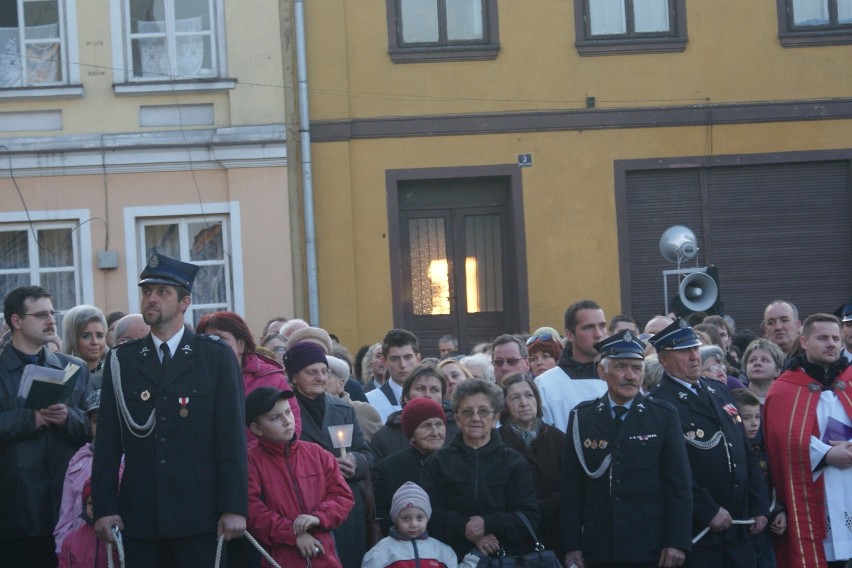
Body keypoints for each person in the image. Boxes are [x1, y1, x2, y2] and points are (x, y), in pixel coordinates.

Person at [92, 253, 247, 567]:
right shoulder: (123, 360)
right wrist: (105, 506)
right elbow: (108, 440)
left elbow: (231, 438)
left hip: (199, 513)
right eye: (147, 291)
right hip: (141, 514)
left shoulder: (214, 357)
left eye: (162, 292)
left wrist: (234, 506)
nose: (151, 299)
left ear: (184, 302)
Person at [562, 330, 692, 568]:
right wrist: (571, 544)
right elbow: (571, 487)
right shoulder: (583, 417)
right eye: (621, 367)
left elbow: (679, 484)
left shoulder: (662, 416)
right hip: (599, 546)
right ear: (602, 371)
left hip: (649, 544)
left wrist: (677, 541)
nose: (630, 376)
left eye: (636, 368)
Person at [648, 319, 768, 567]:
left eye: (695, 349)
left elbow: (745, 452)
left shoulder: (718, 390)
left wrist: (759, 505)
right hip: (700, 533)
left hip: (739, 527)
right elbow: (669, 472)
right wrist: (708, 510)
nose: (694, 357)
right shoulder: (659, 405)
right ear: (663, 360)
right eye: (683, 351)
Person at [0, 285, 91, 567]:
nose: (51, 320)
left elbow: (96, 425)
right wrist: (32, 419)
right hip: (15, 510)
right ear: (16, 321)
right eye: (40, 315)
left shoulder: (73, 367)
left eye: (52, 313)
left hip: (68, 508)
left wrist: (68, 418)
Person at [764, 313, 852, 568]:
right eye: (823, 338)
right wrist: (825, 455)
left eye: (836, 338)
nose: (832, 344)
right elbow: (781, 441)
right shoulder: (784, 388)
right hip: (816, 492)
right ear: (804, 341)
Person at [421, 379, 539, 561]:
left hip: (505, 558)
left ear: (496, 418)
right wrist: (464, 528)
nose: (475, 418)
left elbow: (528, 517)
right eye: (467, 412)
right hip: (452, 557)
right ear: (457, 419)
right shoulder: (437, 463)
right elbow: (429, 514)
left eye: (483, 411)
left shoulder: (514, 462)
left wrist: (487, 524)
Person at [245, 387, 354, 568]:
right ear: (256, 428)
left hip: (325, 555)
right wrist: (293, 533)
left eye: (288, 412)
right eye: (275, 418)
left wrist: (318, 517)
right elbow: (252, 512)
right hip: (278, 557)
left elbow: (343, 496)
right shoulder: (251, 462)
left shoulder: (318, 454)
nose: (287, 421)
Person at [286, 341, 373, 568]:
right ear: (294, 377)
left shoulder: (343, 409)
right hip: (306, 505)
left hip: (345, 508)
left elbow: (366, 454)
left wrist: (355, 462)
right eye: (311, 372)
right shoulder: (285, 411)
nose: (320, 378)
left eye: (324, 372)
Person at [196, 310, 300, 441]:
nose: (212, 346)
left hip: (263, 459)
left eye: (220, 339)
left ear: (241, 345)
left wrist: (251, 457)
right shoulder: (192, 380)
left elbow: (291, 429)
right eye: (207, 341)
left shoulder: (270, 378)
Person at [498, 372, 565, 555]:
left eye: (529, 395)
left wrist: (550, 505)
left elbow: (570, 484)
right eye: (515, 397)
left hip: (555, 532)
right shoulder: (497, 441)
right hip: (514, 534)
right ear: (504, 404)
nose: (524, 402)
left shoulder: (558, 438)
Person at [373, 397, 448, 536]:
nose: (435, 432)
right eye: (426, 426)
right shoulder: (390, 468)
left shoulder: (455, 461)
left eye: (439, 424)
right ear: (411, 434)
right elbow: (383, 515)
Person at [731, 388, 786, 568]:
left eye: (757, 417)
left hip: (765, 530)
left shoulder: (761, 450)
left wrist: (777, 510)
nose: (754, 423)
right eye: (746, 418)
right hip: (741, 529)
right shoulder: (730, 452)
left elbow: (768, 486)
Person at [536, 300, 609, 432]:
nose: (598, 334)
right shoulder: (545, 384)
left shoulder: (621, 377)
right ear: (570, 335)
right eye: (588, 327)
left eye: (602, 326)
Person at [371, 363, 456, 461]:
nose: (428, 395)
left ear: (442, 398)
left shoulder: (457, 430)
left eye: (435, 390)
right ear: (406, 397)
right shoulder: (385, 437)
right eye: (420, 388)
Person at [362, 482, 458, 568]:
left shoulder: (441, 551)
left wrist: (473, 557)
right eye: (406, 518)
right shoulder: (381, 552)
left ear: (427, 518)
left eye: (419, 518)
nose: (413, 524)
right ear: (396, 519)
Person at [55, 390, 101, 555]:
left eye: (109, 419)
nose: (102, 426)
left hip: (115, 550)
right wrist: (63, 550)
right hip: (79, 551)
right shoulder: (78, 460)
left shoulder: (129, 459)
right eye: (96, 421)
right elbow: (65, 513)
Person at [58, 479, 118, 568]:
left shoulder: (118, 538)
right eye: (90, 503)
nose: (94, 508)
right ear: (84, 505)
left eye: (99, 503)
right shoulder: (72, 540)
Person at [367, 329, 422, 424]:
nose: (403, 365)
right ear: (385, 362)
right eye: (395, 359)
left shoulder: (432, 395)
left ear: (418, 358)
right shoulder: (370, 401)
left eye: (408, 357)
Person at [62, 305, 109, 390]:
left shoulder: (114, 374)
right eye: (86, 336)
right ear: (72, 339)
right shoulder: (63, 377)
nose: (95, 342)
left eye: (99, 336)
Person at [741, 339, 784, 404]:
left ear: (777, 370)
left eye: (764, 360)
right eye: (752, 360)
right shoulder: (737, 400)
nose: (757, 363)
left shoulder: (785, 400)